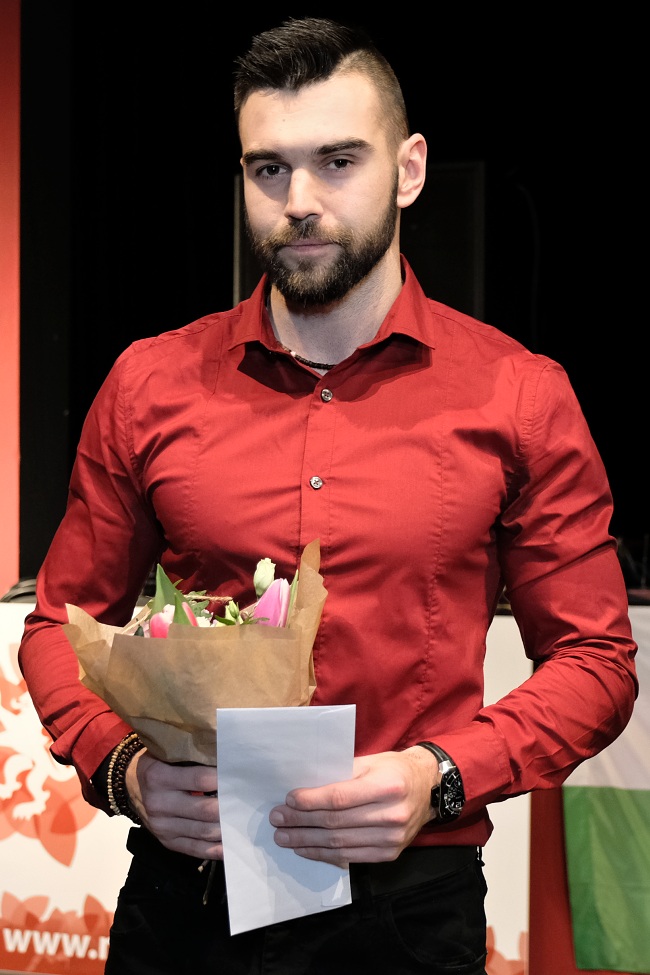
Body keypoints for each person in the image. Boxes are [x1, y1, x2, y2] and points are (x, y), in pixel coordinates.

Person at [19, 15, 637, 975]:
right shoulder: (149, 384)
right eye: (269, 169)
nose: (299, 201)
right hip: (186, 902)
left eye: (338, 161)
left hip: (408, 910)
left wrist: (438, 776)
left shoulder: (518, 394)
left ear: (409, 169)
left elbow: (596, 660)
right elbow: (59, 625)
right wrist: (123, 769)